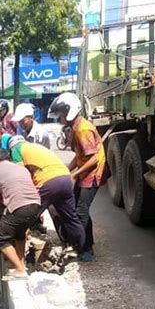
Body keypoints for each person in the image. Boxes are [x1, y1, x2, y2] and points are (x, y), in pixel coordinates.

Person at [48, 92, 108, 262]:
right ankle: (81, 243)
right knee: (76, 209)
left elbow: (94, 159)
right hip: (85, 173)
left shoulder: (83, 129)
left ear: (69, 111)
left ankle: (85, 249)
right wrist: (66, 170)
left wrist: (75, 174)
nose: (59, 118)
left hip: (93, 174)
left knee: (81, 211)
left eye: (60, 114)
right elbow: (79, 156)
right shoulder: (75, 127)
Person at [8, 136, 85, 252]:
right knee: (71, 217)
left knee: (28, 214)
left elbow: (21, 174)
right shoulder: (36, 147)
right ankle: (81, 249)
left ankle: (18, 248)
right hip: (65, 178)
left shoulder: (16, 149)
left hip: (48, 182)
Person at [0, 148, 41, 279]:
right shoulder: (22, 168)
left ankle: (19, 269)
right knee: (19, 234)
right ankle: (21, 265)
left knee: (0, 238)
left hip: (18, 206)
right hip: (36, 205)